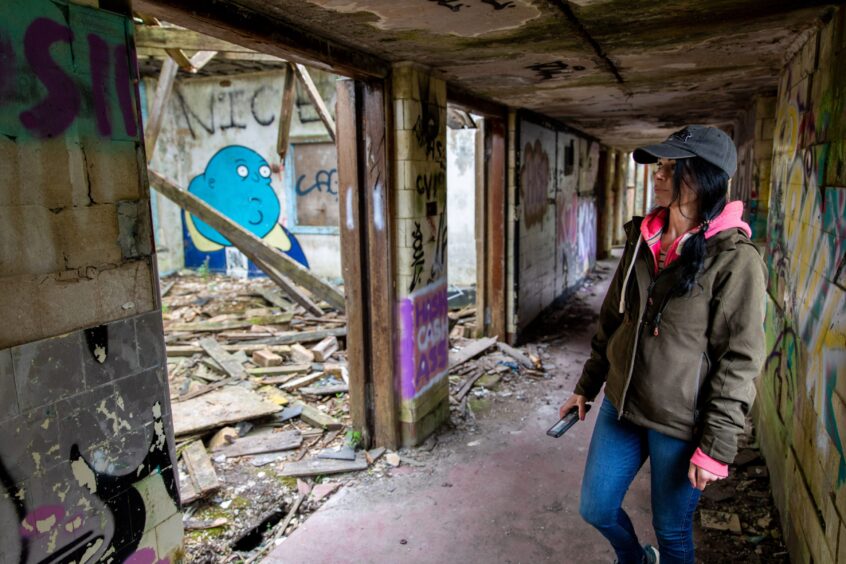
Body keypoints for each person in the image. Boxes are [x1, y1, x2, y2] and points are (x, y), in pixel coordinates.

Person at [558, 125, 767, 564]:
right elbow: (614, 320)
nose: (658, 175)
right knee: (596, 508)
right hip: (622, 403)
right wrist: (587, 386)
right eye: (660, 166)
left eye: (672, 168)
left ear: (704, 178)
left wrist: (717, 446)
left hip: (680, 424)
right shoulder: (641, 239)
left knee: (673, 534)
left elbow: (740, 361)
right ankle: (634, 558)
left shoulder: (735, 259)